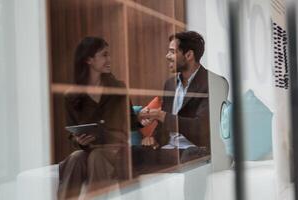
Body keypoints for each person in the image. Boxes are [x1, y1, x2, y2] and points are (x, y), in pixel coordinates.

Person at [58, 37, 139, 199]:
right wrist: (79, 141)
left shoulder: (118, 88)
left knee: (97, 157)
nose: (109, 59)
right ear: (89, 60)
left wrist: (142, 120)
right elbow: (71, 135)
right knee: (75, 158)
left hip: (117, 151)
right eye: (104, 55)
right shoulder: (71, 96)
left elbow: (131, 123)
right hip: (90, 150)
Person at [136, 31, 210, 169]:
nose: (167, 56)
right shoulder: (170, 84)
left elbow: (200, 128)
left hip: (193, 150)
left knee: (189, 156)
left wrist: (161, 115)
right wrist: (153, 138)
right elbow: (164, 125)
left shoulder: (211, 83)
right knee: (130, 155)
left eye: (172, 52)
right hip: (170, 150)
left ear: (189, 55)